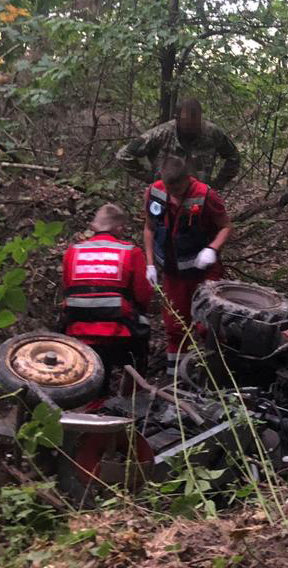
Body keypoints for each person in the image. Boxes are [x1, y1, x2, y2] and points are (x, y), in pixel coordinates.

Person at [144, 155, 232, 379]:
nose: (174, 194)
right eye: (169, 188)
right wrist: (150, 264)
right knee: (175, 326)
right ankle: (176, 379)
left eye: (178, 188)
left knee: (208, 324)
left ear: (187, 179)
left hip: (204, 271)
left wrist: (212, 249)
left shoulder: (206, 196)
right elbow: (149, 228)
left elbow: (226, 227)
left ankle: (213, 375)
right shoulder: (155, 193)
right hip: (174, 272)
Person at [61, 204, 152, 390]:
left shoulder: (73, 252)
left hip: (76, 330)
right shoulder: (130, 252)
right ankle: (131, 395)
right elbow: (143, 295)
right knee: (141, 334)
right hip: (119, 332)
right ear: (119, 228)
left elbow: (68, 288)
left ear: (94, 227)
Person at [116, 98, 241, 189]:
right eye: (188, 124)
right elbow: (124, 155)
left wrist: (218, 183)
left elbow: (233, 156)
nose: (193, 128)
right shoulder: (161, 133)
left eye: (196, 123)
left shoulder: (212, 133)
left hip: (199, 196)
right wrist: (150, 177)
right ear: (177, 119)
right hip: (165, 193)